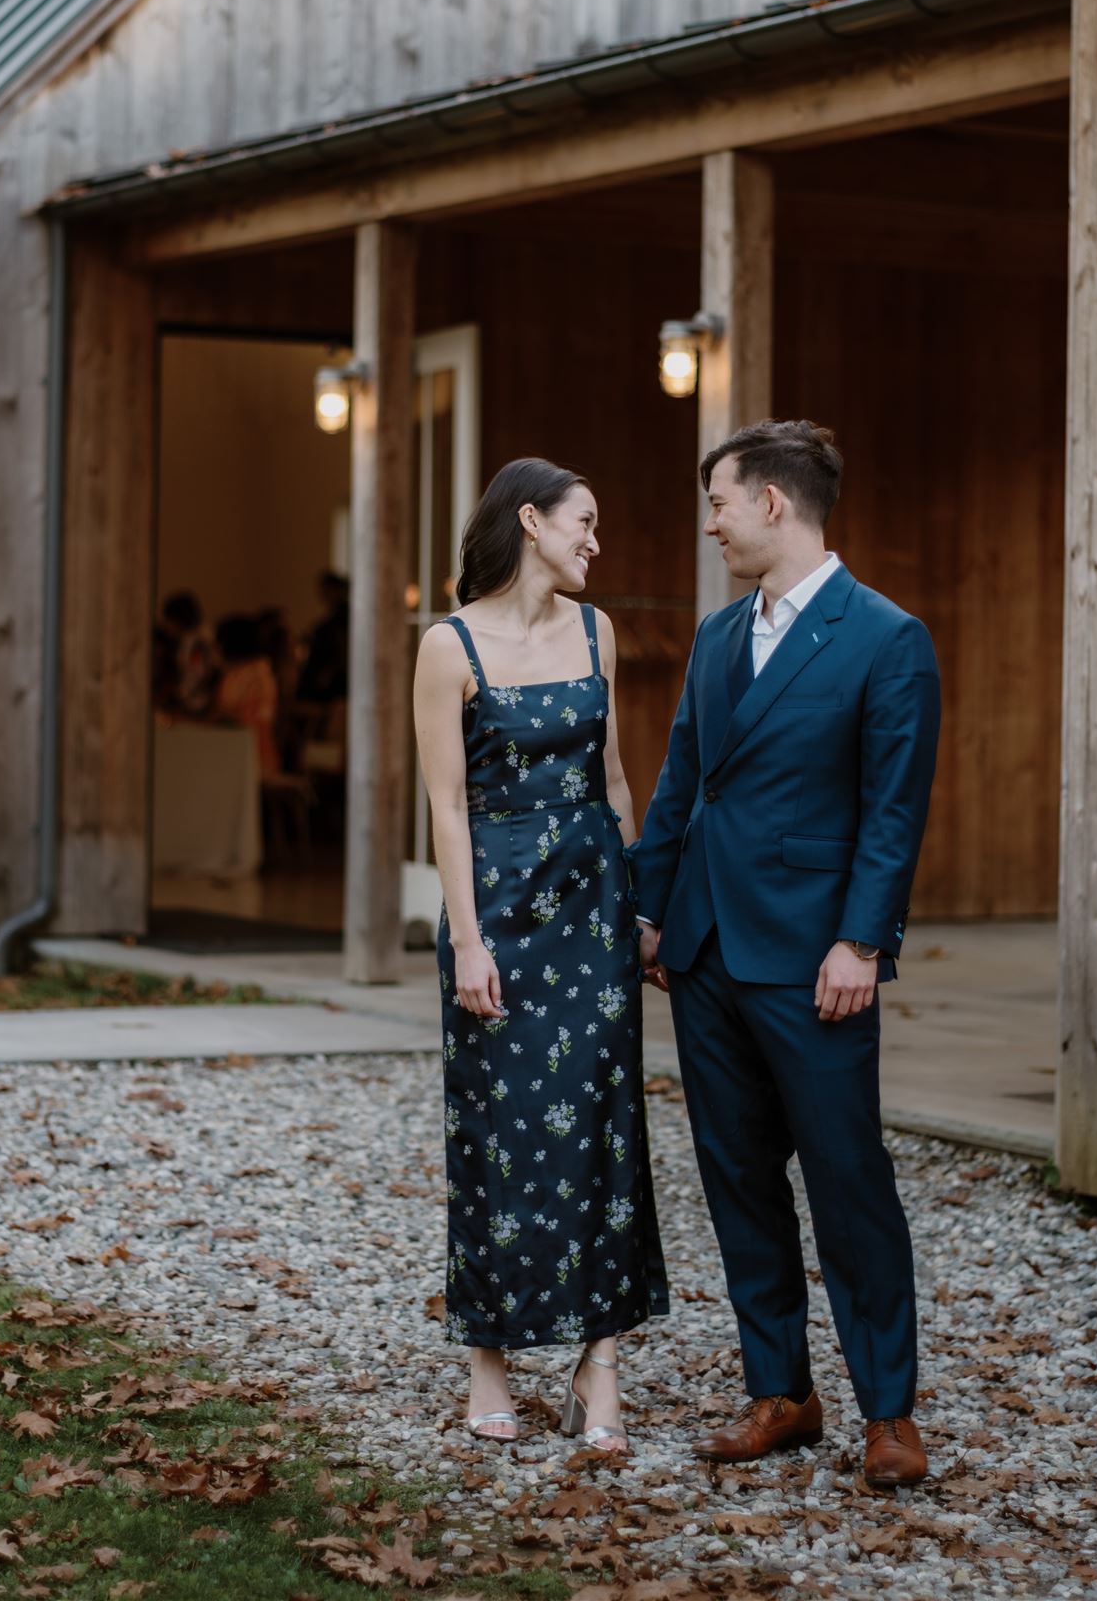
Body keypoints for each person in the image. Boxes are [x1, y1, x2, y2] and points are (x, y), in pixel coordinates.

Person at [630, 421, 940, 1488]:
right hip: (706, 954)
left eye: (718, 500)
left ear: (773, 502)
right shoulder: (717, 637)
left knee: (851, 1183)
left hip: (818, 961)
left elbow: (893, 813)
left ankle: (888, 1411)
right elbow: (682, 784)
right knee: (738, 1180)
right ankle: (783, 1392)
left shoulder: (886, 637)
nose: (709, 521)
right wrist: (647, 909)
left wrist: (863, 938)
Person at [412, 458, 668, 1452]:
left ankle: (599, 1365)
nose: (597, 541)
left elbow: (613, 778)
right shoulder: (449, 645)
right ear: (531, 520)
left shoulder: (598, 631)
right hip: (499, 914)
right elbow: (444, 803)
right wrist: (468, 937)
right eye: (584, 522)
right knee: (495, 1130)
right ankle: (489, 1355)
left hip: (594, 912)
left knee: (605, 1128)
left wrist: (638, 904)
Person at [214, 614, 281, 776]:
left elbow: (235, 719)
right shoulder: (258, 672)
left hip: (248, 758)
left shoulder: (251, 676)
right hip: (246, 752)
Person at [156, 590, 220, 719]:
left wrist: (179, 694)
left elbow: (197, 673)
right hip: (192, 702)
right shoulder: (191, 641)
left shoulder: (195, 644)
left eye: (168, 620)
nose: (166, 625)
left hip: (196, 704)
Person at [297, 571, 350, 703]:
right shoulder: (332, 621)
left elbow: (339, 649)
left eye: (326, 590)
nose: (322, 595)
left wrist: (329, 672)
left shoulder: (342, 620)